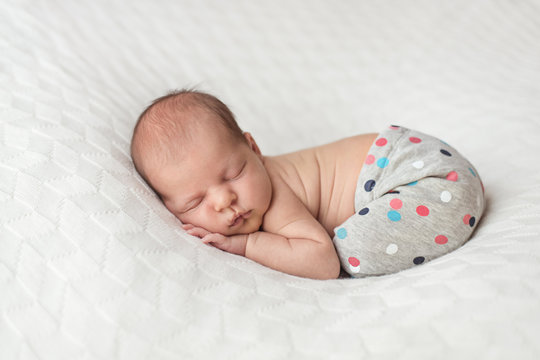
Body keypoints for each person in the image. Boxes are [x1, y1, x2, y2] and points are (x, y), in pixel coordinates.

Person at [130, 89, 485, 280]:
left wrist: (249, 244)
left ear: (254, 149)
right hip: (428, 162)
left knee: (350, 252)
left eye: (233, 174)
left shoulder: (276, 195)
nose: (225, 199)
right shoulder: (253, 190)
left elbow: (322, 263)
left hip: (428, 177)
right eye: (194, 202)